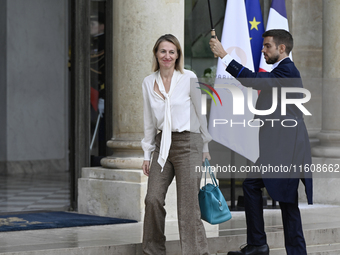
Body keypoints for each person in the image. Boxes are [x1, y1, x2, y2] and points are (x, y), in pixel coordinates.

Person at [210, 29, 313, 255]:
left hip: (287, 150)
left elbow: (252, 80)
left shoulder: (287, 71)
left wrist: (224, 55)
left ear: (282, 48)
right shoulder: (282, 71)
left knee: (286, 202)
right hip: (279, 148)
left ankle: (279, 248)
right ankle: (258, 244)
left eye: (267, 46)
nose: (263, 50)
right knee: (254, 186)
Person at [141, 34, 212, 255]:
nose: (167, 56)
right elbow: (149, 121)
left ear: (178, 55)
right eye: (163, 51)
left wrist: (205, 147)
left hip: (189, 143)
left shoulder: (188, 77)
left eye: (172, 52)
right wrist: (146, 153)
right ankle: (153, 251)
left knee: (188, 205)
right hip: (163, 144)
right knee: (152, 198)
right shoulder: (148, 82)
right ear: (156, 53)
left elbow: (201, 114)